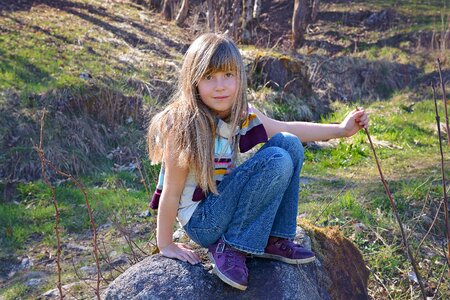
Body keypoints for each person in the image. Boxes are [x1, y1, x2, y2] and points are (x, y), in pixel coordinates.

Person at [147, 33, 369, 291]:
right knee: (276, 159)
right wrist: (165, 244)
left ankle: (276, 238)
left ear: (239, 78)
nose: (220, 86)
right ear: (193, 80)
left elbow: (288, 128)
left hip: (224, 205)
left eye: (228, 75)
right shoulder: (185, 125)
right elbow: (172, 192)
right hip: (203, 221)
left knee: (289, 143)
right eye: (209, 77)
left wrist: (341, 130)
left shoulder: (241, 115)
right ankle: (231, 247)